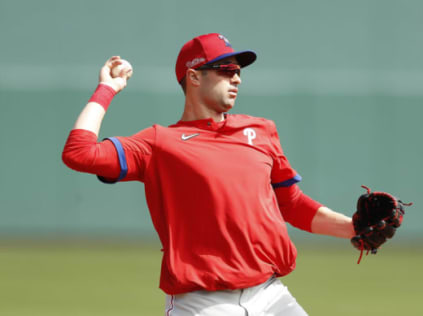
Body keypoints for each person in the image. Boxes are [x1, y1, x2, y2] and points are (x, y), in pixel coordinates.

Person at [62, 33, 355, 316]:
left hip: (270, 295)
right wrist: (108, 89)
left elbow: (290, 204)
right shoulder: (159, 143)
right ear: (194, 76)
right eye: (226, 70)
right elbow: (79, 153)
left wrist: (355, 228)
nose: (236, 78)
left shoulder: (261, 131)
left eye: (238, 71)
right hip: (203, 304)